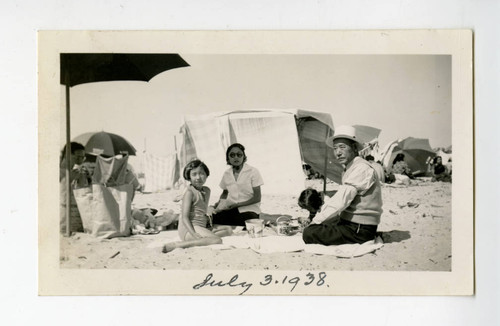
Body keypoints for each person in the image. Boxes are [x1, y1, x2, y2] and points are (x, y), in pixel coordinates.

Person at [299, 125, 383, 245]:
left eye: (342, 147)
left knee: (309, 233)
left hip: (360, 228)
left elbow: (342, 200)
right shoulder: (351, 167)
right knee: (321, 224)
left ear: (354, 148)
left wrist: (315, 221)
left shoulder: (361, 168)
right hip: (352, 223)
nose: (338, 153)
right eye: (335, 148)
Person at [162, 160, 232, 253]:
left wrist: (207, 219)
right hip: (188, 228)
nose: (198, 177)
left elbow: (201, 210)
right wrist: (193, 233)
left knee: (228, 229)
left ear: (206, 175)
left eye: (202, 174)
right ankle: (178, 245)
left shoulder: (207, 191)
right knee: (217, 240)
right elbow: (185, 218)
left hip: (201, 226)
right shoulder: (189, 193)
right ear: (189, 178)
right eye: (194, 174)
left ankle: (204, 237)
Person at [209, 143, 264, 227]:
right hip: (231, 209)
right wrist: (218, 205)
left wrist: (237, 204)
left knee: (248, 219)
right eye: (232, 155)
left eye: (239, 154)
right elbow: (225, 192)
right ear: (228, 158)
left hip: (249, 210)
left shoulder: (253, 171)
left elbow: (257, 198)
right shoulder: (226, 174)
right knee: (214, 218)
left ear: (243, 156)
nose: (236, 157)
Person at [60, 142, 91, 233]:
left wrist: (88, 179)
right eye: (77, 157)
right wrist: (68, 179)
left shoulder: (77, 171)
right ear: (68, 155)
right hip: (63, 216)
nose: (80, 160)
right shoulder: (59, 171)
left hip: (77, 214)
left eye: (82, 158)